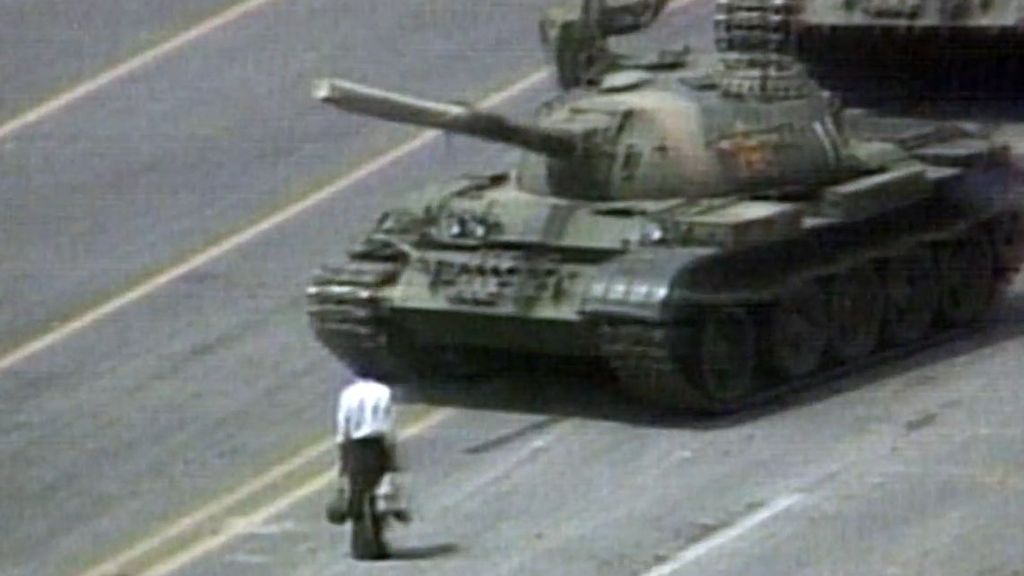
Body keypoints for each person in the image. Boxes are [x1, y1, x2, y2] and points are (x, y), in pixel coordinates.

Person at [325, 377, 409, 524]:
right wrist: (393, 453)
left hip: (355, 445)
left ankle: (349, 508)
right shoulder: (383, 391)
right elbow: (388, 423)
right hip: (377, 442)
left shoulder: (348, 393)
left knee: (347, 479)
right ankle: (394, 507)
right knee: (390, 473)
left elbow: (343, 424)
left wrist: (343, 452)